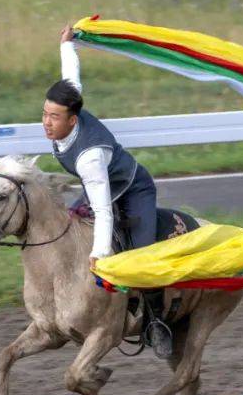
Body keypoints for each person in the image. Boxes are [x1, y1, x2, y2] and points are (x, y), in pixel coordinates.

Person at [42, 25, 158, 270]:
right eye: (44, 114)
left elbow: (103, 211)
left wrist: (100, 252)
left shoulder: (90, 158)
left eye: (54, 117)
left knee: (142, 263)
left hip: (133, 189)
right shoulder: (70, 104)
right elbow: (72, 76)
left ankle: (155, 308)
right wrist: (67, 43)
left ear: (72, 120)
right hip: (99, 185)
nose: (46, 123)